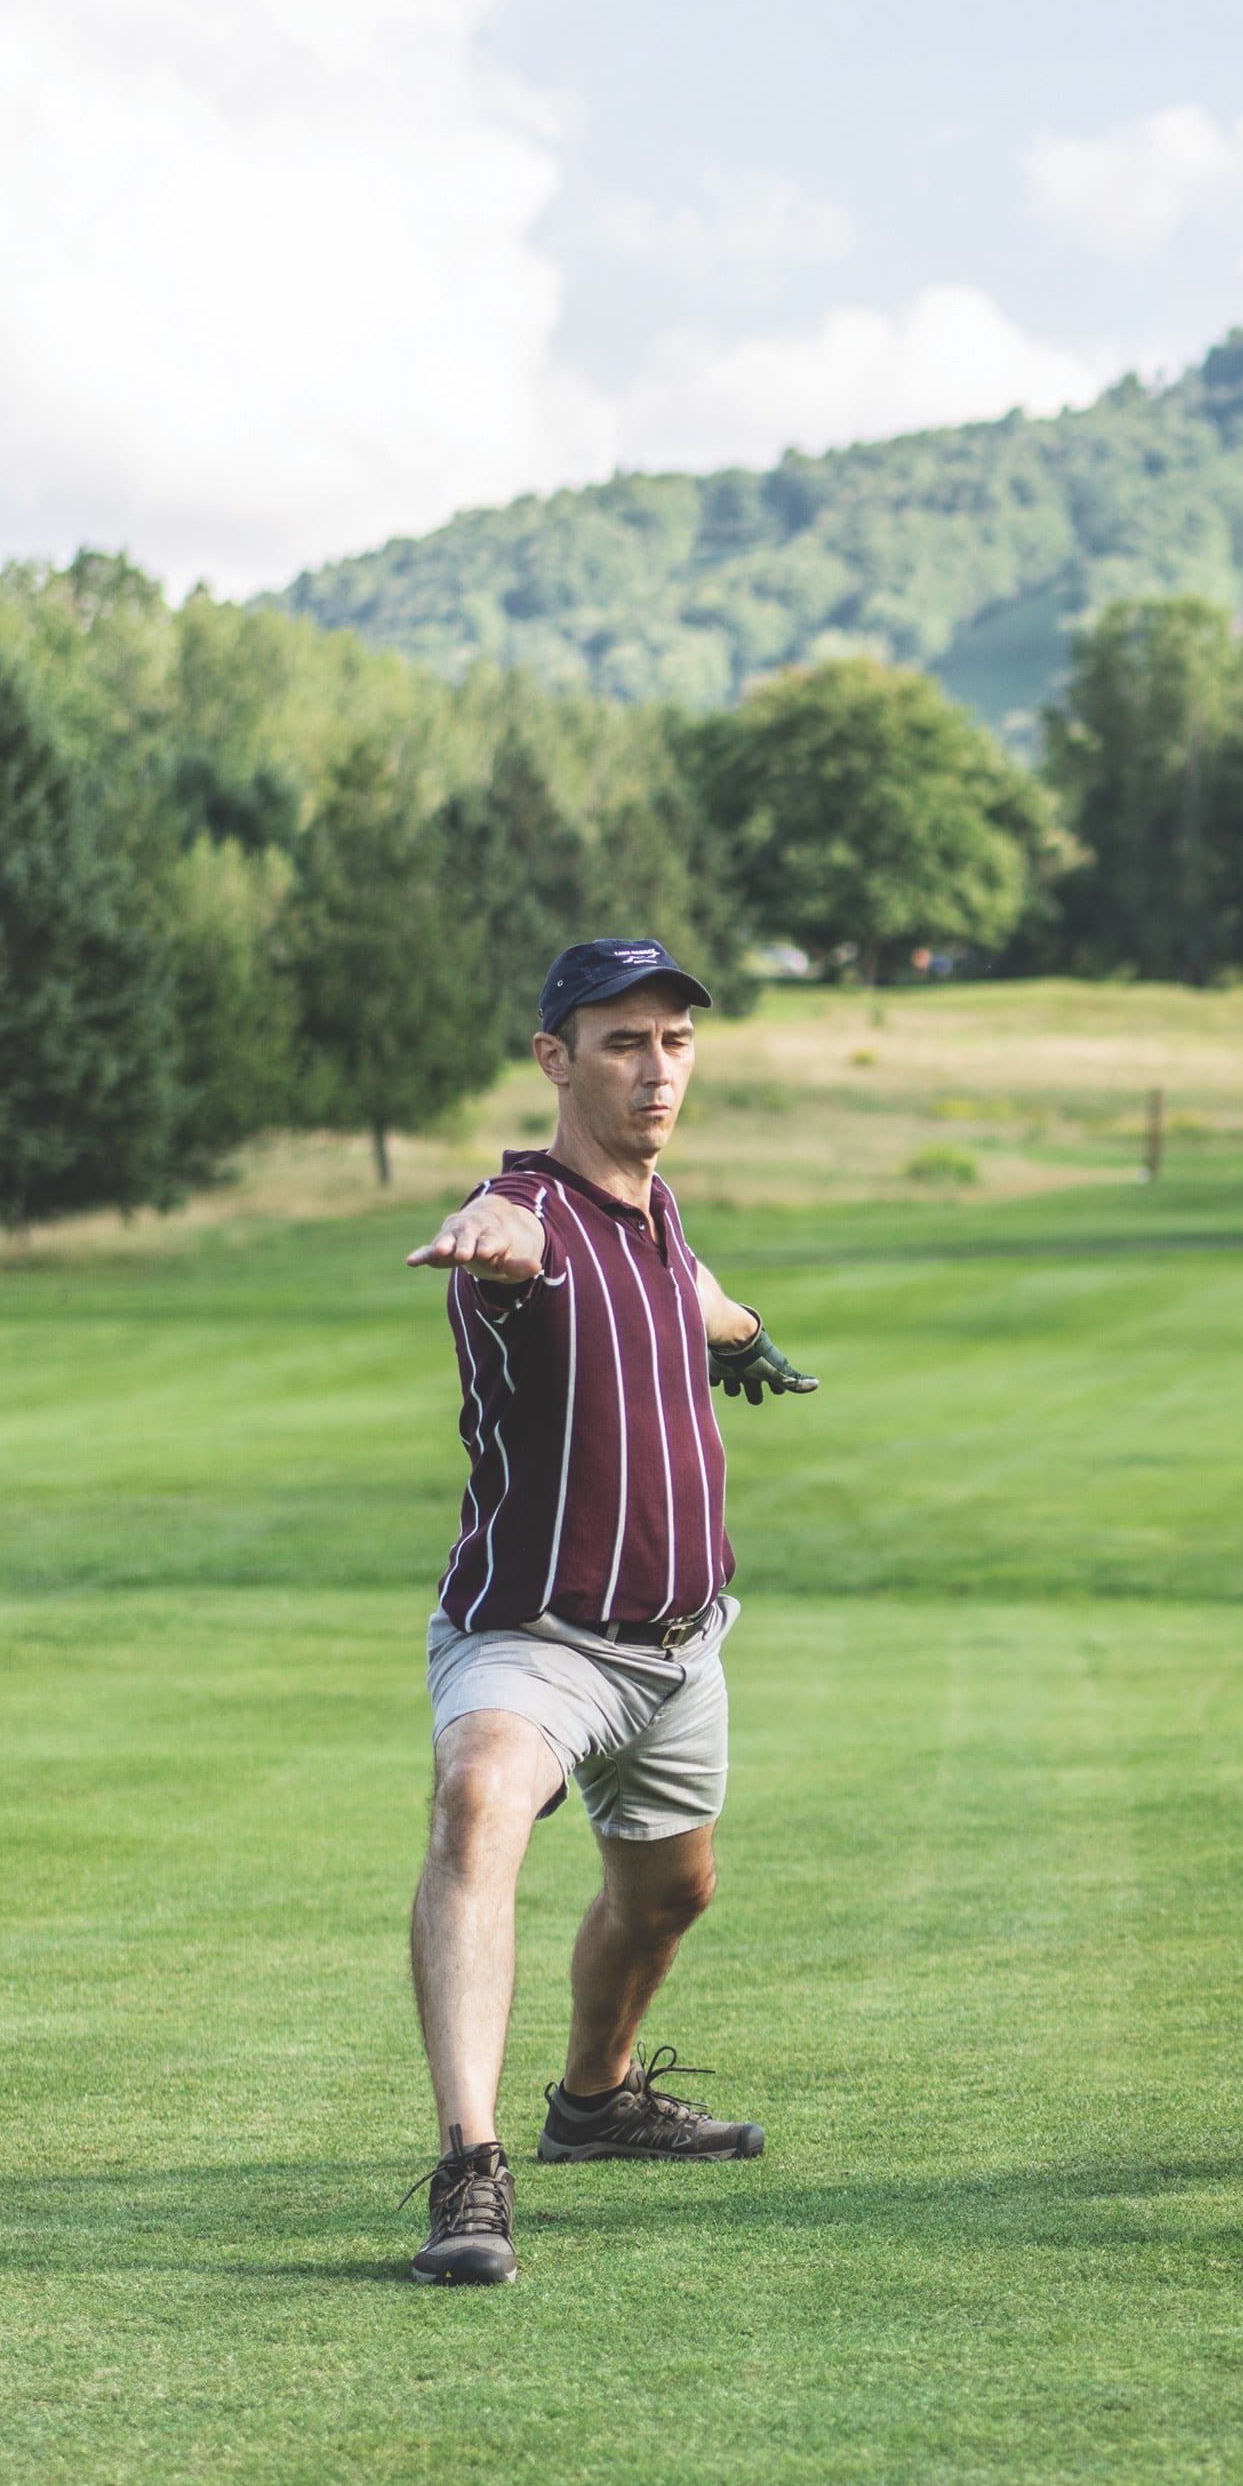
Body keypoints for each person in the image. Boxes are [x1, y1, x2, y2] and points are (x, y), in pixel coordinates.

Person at [397, 938, 818, 2287]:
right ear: (554, 1059)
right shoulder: (524, 1211)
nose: (653, 1067)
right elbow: (518, 1232)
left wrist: (744, 1333)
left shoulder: (653, 1214)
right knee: (479, 1804)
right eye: (621, 1042)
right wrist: (485, 1240)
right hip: (540, 1636)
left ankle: (594, 2103)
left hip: (683, 1646)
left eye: (673, 1041)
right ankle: (469, 2170)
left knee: (670, 1897)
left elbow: (682, 1292)